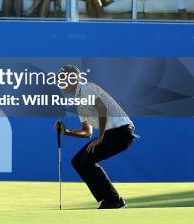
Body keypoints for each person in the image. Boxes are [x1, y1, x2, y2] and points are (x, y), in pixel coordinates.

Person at [54, 65, 137, 209]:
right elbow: (87, 132)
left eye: (62, 78)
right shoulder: (78, 101)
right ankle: (108, 200)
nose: (58, 82)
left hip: (121, 132)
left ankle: (114, 200)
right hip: (111, 134)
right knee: (77, 161)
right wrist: (66, 131)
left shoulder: (86, 88)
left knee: (87, 160)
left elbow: (102, 108)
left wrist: (101, 137)